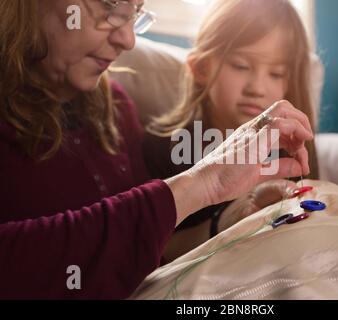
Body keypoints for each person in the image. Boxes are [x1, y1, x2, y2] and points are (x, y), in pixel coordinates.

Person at [0, 0, 313, 299]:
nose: (128, 39)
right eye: (110, 3)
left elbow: (145, 252)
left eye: (136, 12)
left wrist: (228, 221)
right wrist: (201, 183)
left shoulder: (117, 108)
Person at [143, 0, 318, 262]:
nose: (257, 87)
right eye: (241, 66)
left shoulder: (291, 147)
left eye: (276, 73)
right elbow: (150, 253)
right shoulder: (166, 146)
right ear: (201, 68)